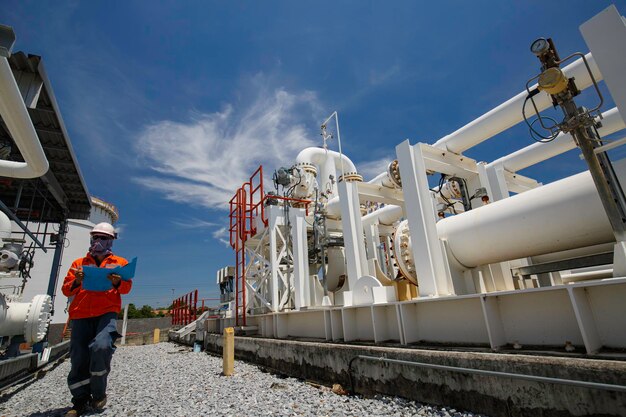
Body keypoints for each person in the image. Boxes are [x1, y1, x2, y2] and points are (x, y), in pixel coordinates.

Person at [61, 222, 132, 416]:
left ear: (111, 241)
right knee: (79, 357)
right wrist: (77, 280)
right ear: (92, 239)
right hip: (81, 313)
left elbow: (126, 288)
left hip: (106, 312)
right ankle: (79, 401)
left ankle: (98, 394)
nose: (99, 241)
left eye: (104, 238)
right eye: (96, 237)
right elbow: (66, 289)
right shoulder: (79, 264)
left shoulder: (120, 262)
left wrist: (118, 282)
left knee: (101, 347)